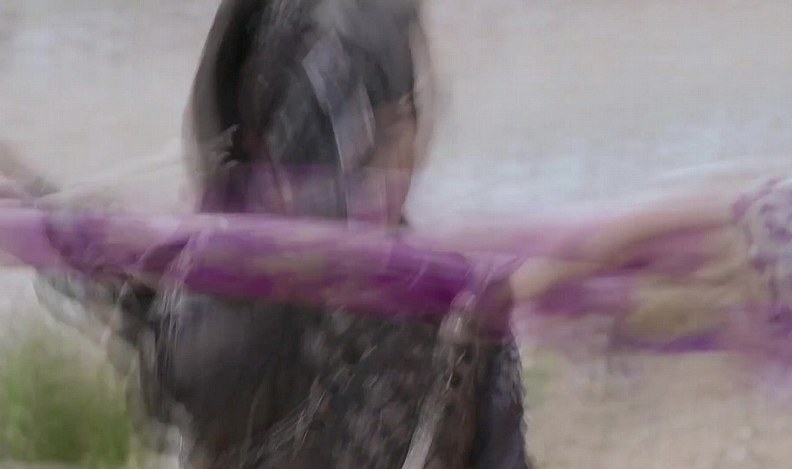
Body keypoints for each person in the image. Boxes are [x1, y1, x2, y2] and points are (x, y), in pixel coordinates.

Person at [31, 0, 530, 467]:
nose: (385, 172)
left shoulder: (458, 308)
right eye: (344, 148)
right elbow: (110, 276)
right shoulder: (220, 312)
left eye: (398, 125)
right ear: (265, 155)